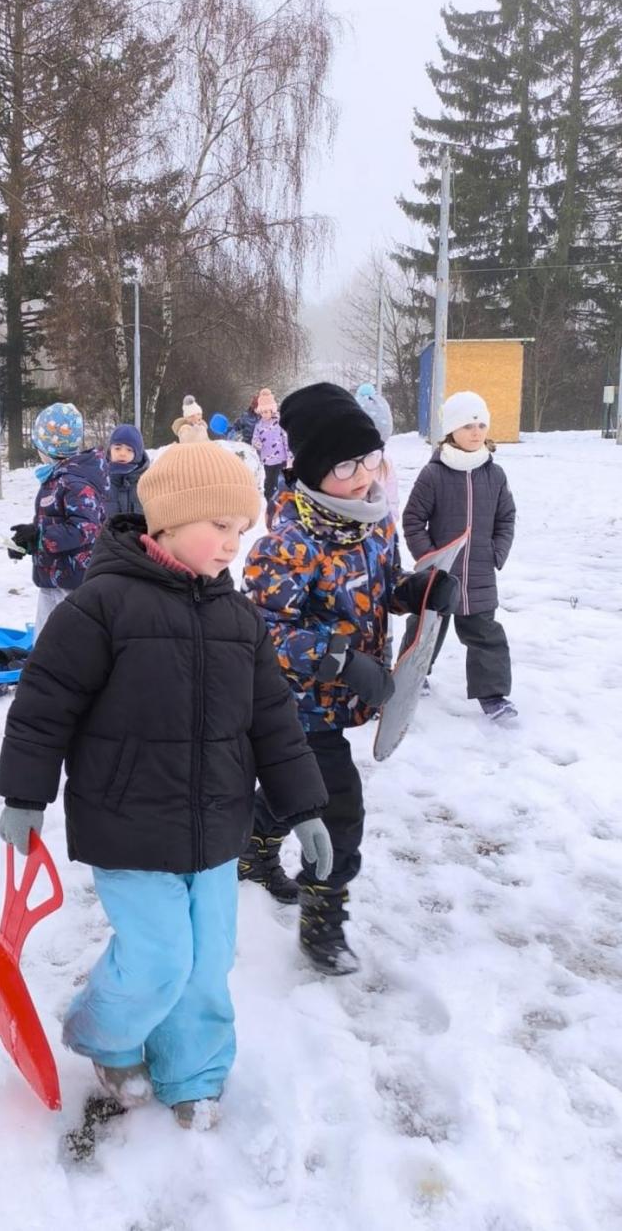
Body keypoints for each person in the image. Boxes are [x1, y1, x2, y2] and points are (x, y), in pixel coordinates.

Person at [0, 443, 330, 1128]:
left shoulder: (239, 621)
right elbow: (44, 703)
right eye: (220, 527)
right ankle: (104, 1035)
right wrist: (24, 794)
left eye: (243, 529)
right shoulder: (101, 607)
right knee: (158, 957)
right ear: (167, 523)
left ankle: (193, 1074)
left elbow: (272, 721)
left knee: (205, 965)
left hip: (214, 828)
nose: (234, 544)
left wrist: (303, 807)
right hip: (127, 823)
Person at [238, 383, 459, 973]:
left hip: (339, 699)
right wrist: (337, 658)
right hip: (292, 707)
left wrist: (422, 590)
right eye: (345, 465)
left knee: (298, 791)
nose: (363, 475)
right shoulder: (285, 545)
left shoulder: (374, 522)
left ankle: (253, 849)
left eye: (370, 459)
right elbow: (261, 634)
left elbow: (384, 586)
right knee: (338, 805)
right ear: (311, 471)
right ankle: (323, 920)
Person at [401, 390, 517, 721]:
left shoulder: (494, 475)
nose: (476, 431)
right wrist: (430, 558)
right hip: (441, 573)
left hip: (480, 572)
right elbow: (413, 520)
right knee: (427, 626)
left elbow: (506, 517)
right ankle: (414, 674)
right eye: (468, 425)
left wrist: (497, 551)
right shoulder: (434, 474)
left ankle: (493, 695)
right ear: (451, 430)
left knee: (485, 634)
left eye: (481, 424)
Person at [7, 402, 107, 637]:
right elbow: (57, 521)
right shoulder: (57, 477)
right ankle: (41, 669)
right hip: (53, 577)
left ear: (48, 447)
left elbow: (85, 527)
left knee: (68, 641)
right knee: (44, 639)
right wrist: (30, 539)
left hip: (72, 582)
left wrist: (42, 537)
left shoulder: (74, 482)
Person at [355, 382, 400, 521]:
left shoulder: (385, 462)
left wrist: (388, 526)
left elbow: (392, 500)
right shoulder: (347, 462)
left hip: (378, 530)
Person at [250, 388, 290, 502]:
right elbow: (255, 438)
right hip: (267, 459)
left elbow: (286, 439)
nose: (264, 414)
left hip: (281, 458)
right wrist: (256, 443)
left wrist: (290, 456)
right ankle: (269, 501)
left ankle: (281, 500)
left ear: (272, 410)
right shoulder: (259, 425)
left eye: (266, 411)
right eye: (262, 412)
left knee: (280, 480)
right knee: (269, 481)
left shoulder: (279, 422)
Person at [105, 423, 149, 519]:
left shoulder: (148, 483)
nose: (122, 454)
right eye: (117, 448)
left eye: (129, 450)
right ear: (110, 451)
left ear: (138, 454)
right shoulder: (100, 482)